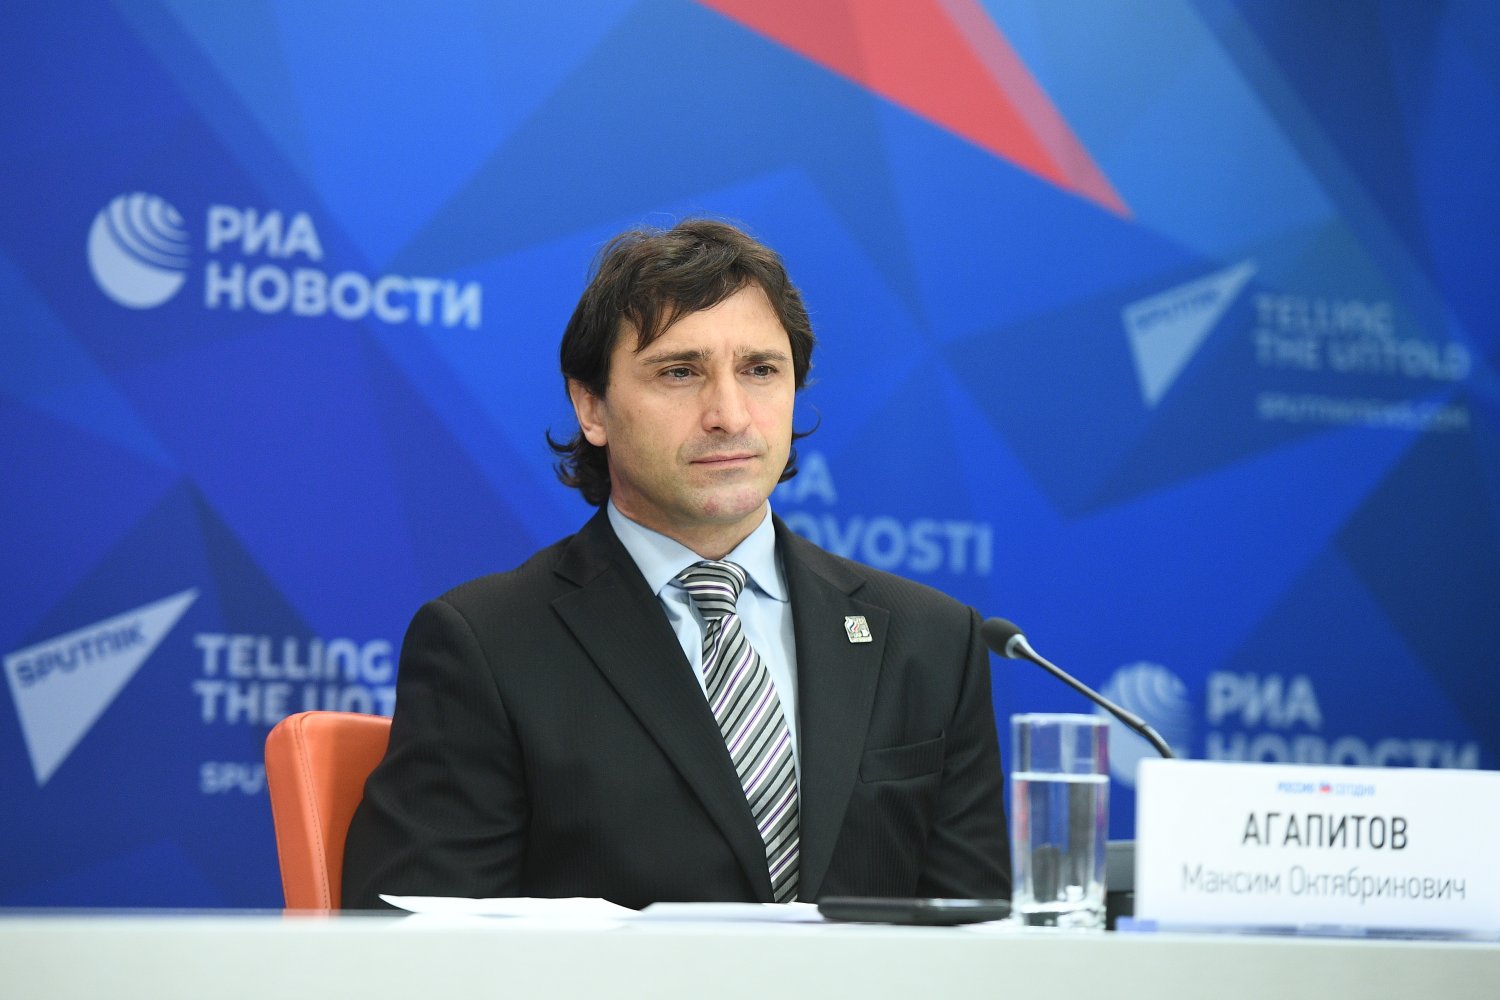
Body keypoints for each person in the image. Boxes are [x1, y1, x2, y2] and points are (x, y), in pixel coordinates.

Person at [342, 219, 1010, 909]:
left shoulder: (931, 641)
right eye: (680, 372)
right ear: (591, 407)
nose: (729, 415)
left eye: (760, 370)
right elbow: (411, 937)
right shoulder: (487, 644)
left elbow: (985, 942)